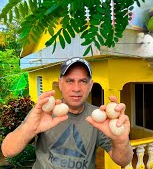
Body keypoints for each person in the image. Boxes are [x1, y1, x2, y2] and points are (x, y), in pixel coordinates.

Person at [1, 57, 133, 168]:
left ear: (91, 85)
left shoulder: (98, 118)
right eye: (70, 81)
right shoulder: (44, 113)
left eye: (83, 81)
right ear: (60, 83)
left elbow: (123, 160)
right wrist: (30, 128)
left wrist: (121, 140)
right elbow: (7, 151)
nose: (76, 88)